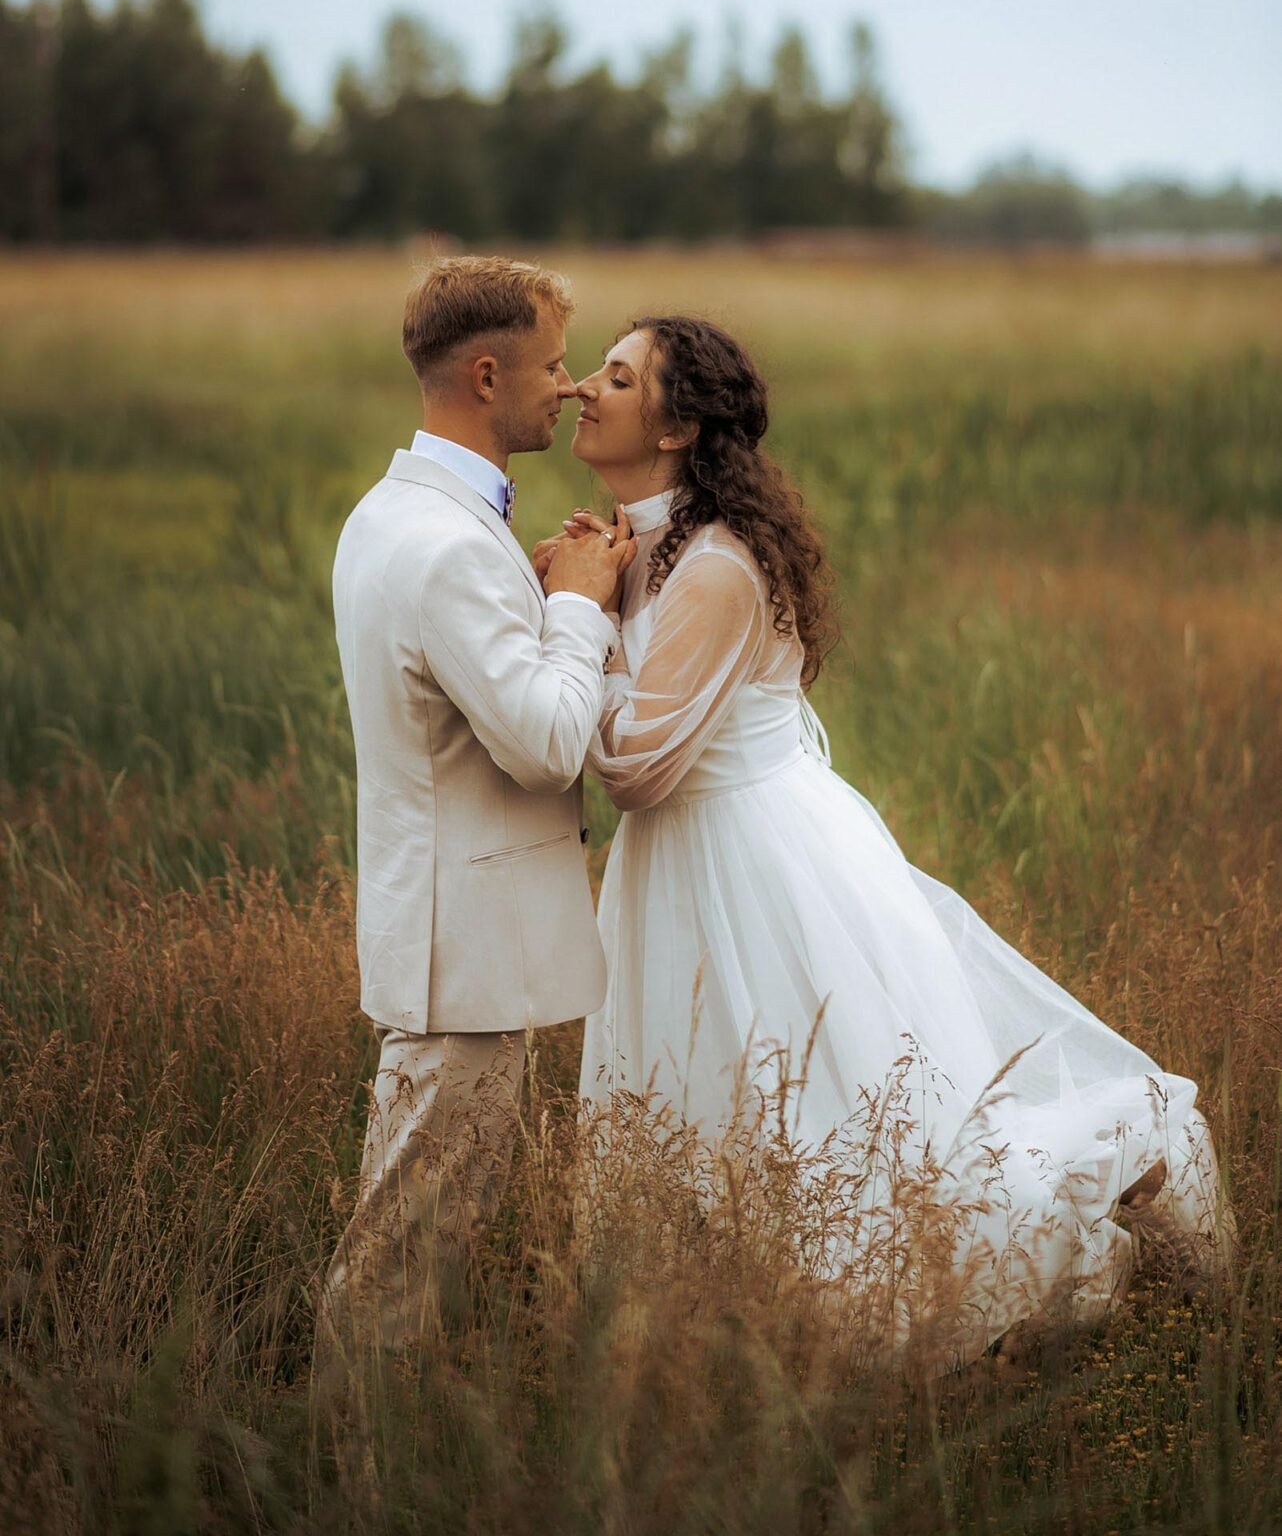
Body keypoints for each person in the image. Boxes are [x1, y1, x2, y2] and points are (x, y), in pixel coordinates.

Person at [536, 313, 1232, 1368]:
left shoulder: (718, 566)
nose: (588, 386)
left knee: (831, 1124)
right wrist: (590, 592)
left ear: (677, 429)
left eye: (619, 376)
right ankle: (716, 1332)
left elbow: (637, 771)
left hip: (757, 867)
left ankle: (1089, 1221)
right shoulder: (630, 549)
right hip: (677, 870)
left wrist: (569, 625)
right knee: (711, 1106)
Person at [319, 255, 635, 1358]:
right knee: (402, 1264)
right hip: (466, 957)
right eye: (553, 367)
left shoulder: (391, 512)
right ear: (488, 374)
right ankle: (356, 1485)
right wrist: (578, 609)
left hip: (442, 934)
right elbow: (548, 744)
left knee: (403, 1246)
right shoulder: (452, 545)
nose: (571, 387)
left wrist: (543, 607)